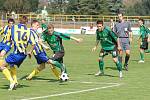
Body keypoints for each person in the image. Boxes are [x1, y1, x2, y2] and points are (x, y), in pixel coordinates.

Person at [0, 16, 35, 90]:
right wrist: (30, 52)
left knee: (2, 66)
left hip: (16, 54)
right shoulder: (29, 31)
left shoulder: (13, 28)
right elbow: (33, 44)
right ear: (26, 22)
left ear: (19, 21)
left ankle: (11, 81)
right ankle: (15, 81)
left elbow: (9, 40)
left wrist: (5, 49)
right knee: (11, 65)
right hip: (23, 55)